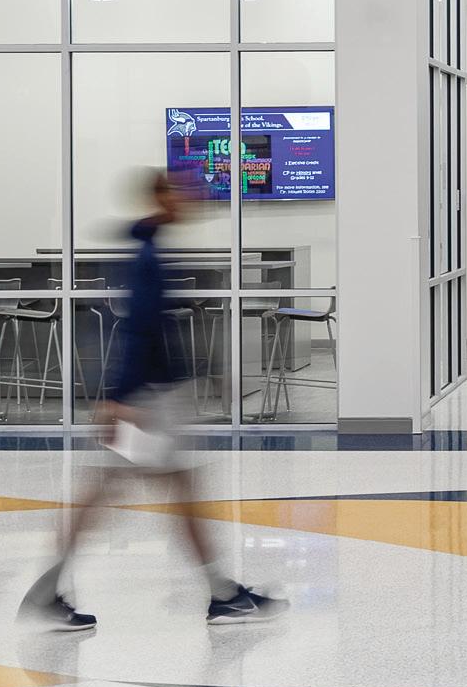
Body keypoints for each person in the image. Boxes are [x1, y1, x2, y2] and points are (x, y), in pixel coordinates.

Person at [23, 167, 279, 632]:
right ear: (161, 198)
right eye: (183, 191)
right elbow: (137, 329)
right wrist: (120, 399)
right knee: (125, 494)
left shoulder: (150, 247)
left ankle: (223, 594)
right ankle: (222, 596)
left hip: (152, 397)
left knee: (150, 491)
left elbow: (151, 330)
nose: (194, 198)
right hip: (147, 403)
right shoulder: (146, 255)